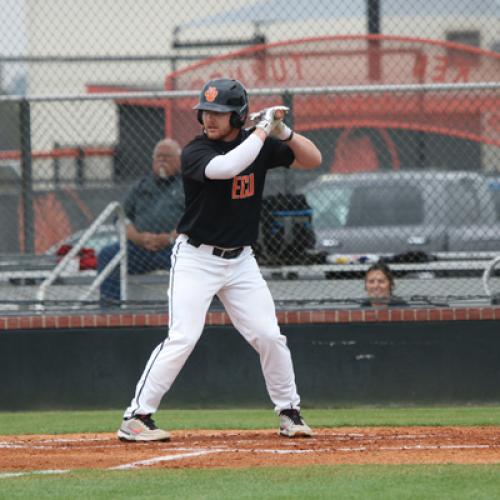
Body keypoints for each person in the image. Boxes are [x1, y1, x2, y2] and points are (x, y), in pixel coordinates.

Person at [117, 78, 322, 442]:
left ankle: (289, 412)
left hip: (241, 260)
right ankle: (136, 417)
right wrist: (261, 130)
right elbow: (227, 168)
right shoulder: (196, 151)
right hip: (197, 258)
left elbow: (313, 159)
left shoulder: (255, 142)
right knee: (183, 337)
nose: (210, 119)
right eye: (206, 112)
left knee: (269, 336)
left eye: (220, 113)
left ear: (238, 116)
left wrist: (282, 130)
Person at [97, 138, 184, 306]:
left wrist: (169, 238)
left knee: (201, 260)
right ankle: (110, 309)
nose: (162, 161)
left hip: (175, 249)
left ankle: (193, 311)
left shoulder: (188, 184)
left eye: (167, 157)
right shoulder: (142, 185)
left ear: (179, 160)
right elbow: (120, 218)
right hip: (140, 249)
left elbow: (196, 217)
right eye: (158, 157)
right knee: (107, 255)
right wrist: (137, 237)